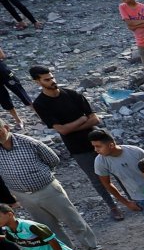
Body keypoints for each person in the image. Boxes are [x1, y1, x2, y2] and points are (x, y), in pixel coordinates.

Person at [0, 120, 106, 250]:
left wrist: (40, 177)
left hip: (47, 189)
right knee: (49, 227)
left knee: (72, 220)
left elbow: (53, 160)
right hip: (23, 196)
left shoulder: (28, 142)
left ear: (6, 127)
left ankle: (94, 247)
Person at [26, 67, 123, 220]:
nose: (52, 81)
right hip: (78, 147)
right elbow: (62, 130)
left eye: (52, 77)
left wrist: (73, 126)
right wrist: (82, 119)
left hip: (98, 138)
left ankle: (132, 197)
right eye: (47, 79)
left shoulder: (72, 94)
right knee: (96, 178)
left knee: (117, 169)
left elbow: (95, 119)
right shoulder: (41, 104)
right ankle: (113, 206)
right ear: (37, 82)